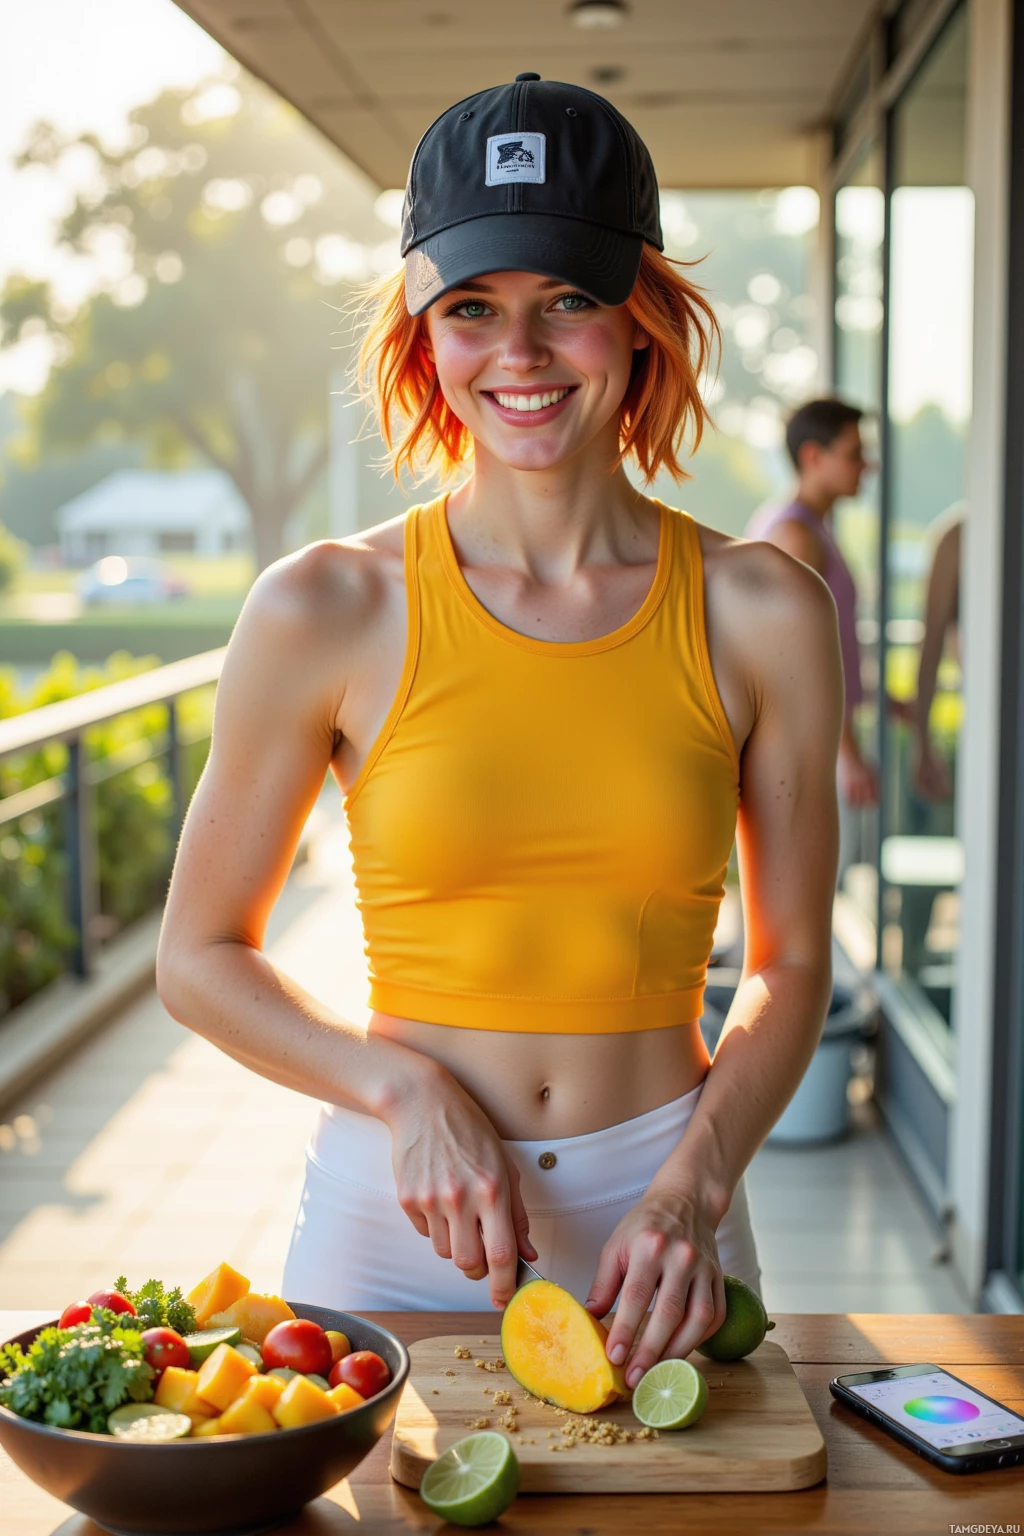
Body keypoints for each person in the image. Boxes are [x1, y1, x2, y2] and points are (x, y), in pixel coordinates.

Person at [156, 73, 842, 1390]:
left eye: (566, 302)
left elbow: (794, 957)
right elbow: (198, 956)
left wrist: (697, 1185)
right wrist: (401, 1093)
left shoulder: (763, 611)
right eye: (473, 309)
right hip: (397, 1215)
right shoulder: (325, 606)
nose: (518, 354)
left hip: (667, 1226)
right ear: (424, 336)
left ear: (642, 321)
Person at [746, 399, 878, 815]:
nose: (867, 466)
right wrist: (847, 753)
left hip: (812, 744)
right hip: (803, 750)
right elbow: (801, 656)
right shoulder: (795, 535)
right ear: (813, 457)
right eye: (855, 454)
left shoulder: (810, 529)